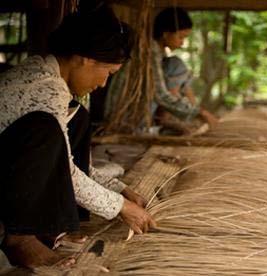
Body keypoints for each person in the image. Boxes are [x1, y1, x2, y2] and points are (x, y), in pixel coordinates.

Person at [0, 4, 155, 269]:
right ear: (84, 58)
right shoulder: (44, 88)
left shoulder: (50, 78)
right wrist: (121, 207)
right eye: (108, 73)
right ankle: (20, 237)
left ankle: (51, 227)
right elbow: (67, 173)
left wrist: (120, 189)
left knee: (78, 116)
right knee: (44, 129)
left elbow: (64, 162)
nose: (104, 83)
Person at [152, 7, 218, 133]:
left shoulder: (160, 54)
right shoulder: (149, 53)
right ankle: (163, 119)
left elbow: (185, 89)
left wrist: (198, 112)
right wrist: (200, 113)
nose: (182, 43)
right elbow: (160, 95)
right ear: (166, 34)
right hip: (134, 119)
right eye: (181, 37)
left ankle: (176, 118)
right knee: (176, 64)